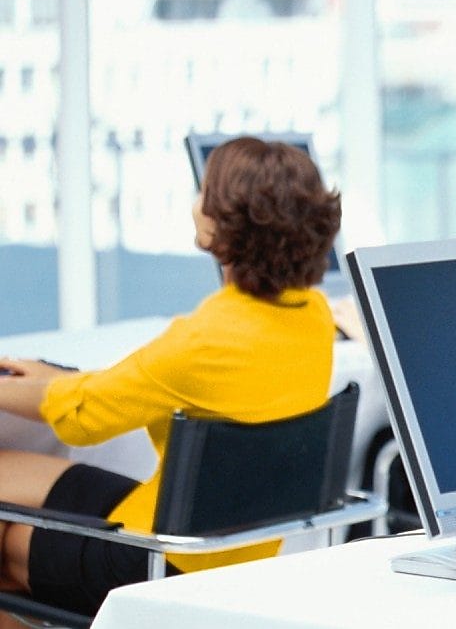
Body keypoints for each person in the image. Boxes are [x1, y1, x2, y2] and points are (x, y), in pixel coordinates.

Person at [0, 137, 342, 616]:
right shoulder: (313, 316)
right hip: (239, 544)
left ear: (227, 220)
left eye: (204, 191)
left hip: (169, 559)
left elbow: (83, 416)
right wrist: (43, 379)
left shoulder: (206, 338)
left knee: (5, 549)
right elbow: (142, 383)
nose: (195, 202)